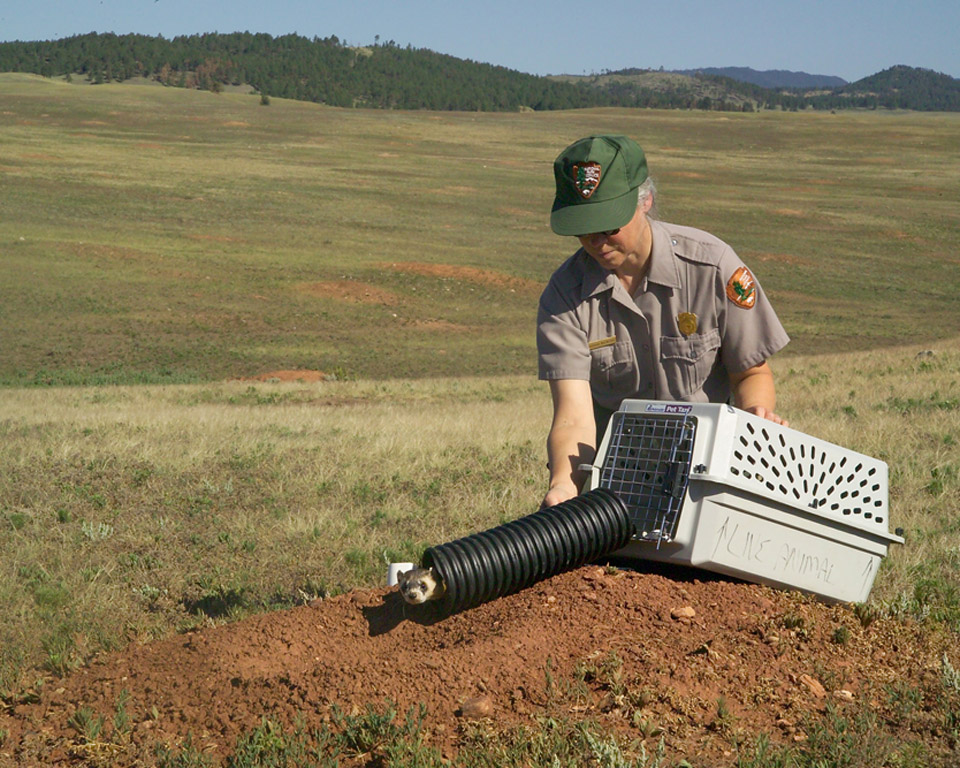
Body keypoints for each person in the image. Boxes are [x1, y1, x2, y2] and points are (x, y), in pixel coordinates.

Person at [537, 135, 790, 508]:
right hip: (616, 487)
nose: (596, 240)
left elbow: (751, 373)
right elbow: (573, 416)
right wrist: (564, 485)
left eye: (608, 224)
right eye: (584, 227)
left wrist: (755, 420)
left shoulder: (713, 267)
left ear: (646, 201)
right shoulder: (564, 297)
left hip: (709, 477)